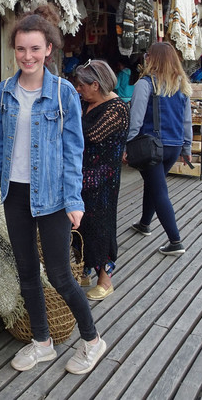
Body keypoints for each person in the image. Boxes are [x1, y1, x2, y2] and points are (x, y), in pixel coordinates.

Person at [0, 3, 106, 375]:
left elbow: (74, 151)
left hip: (52, 196)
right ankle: (42, 342)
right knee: (25, 272)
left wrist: (73, 199)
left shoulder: (65, 92)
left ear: (49, 49)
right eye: (21, 49)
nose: (27, 56)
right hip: (15, 195)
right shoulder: (4, 92)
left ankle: (93, 341)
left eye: (35, 48)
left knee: (59, 274)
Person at [126, 42, 192, 256]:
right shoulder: (181, 84)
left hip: (151, 146)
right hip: (173, 146)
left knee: (159, 190)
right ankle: (145, 223)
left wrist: (128, 145)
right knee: (154, 184)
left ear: (151, 59)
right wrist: (187, 146)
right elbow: (186, 121)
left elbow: (135, 119)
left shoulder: (145, 84)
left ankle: (175, 241)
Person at [72, 60, 129, 300]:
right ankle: (83, 269)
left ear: (95, 85)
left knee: (101, 227)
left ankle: (105, 279)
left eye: (82, 85)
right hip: (82, 176)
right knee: (78, 225)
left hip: (103, 181)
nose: (78, 89)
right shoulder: (87, 103)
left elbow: (89, 134)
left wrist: (69, 113)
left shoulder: (116, 109)